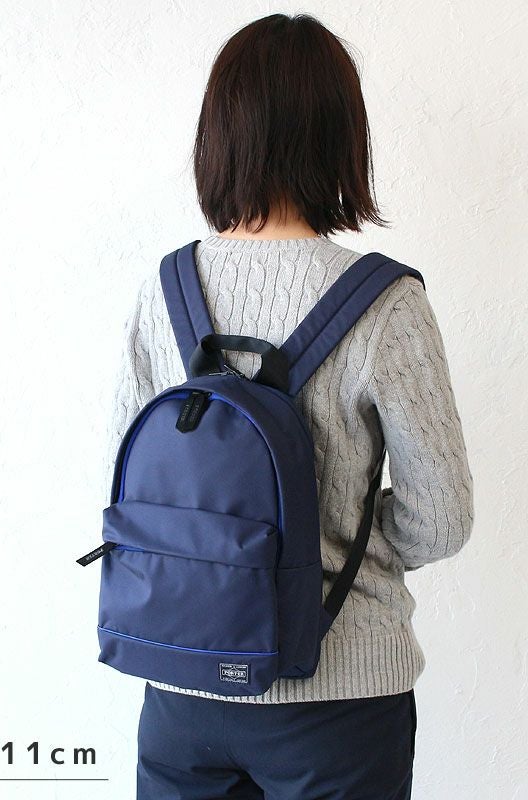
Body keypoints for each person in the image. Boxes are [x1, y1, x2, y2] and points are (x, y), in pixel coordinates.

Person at [103, 13, 474, 800]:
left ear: (219, 135)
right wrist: (335, 545)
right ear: (341, 137)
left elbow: (126, 489)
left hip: (182, 683)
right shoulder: (386, 303)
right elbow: (442, 518)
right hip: (337, 701)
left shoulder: (163, 291)